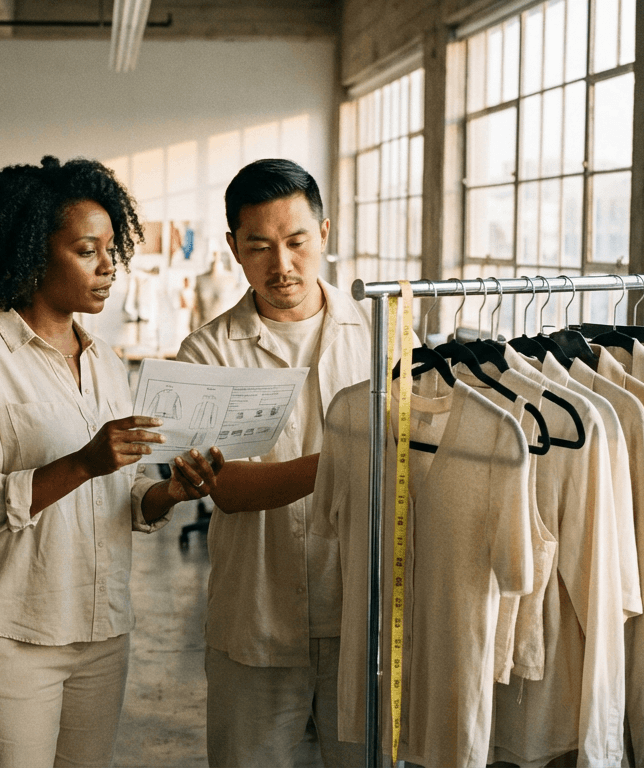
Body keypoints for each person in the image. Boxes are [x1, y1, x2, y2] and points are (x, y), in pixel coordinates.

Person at [0, 155, 225, 768]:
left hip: (100, 628)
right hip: (8, 634)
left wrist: (170, 491)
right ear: (34, 254)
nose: (109, 266)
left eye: (112, 248)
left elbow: (127, 496)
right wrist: (82, 463)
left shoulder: (108, 362)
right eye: (88, 250)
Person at [176, 158, 371, 767]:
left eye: (296, 242)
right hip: (255, 616)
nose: (281, 265)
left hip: (361, 612)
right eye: (259, 246)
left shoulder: (379, 333)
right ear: (234, 247)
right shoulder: (205, 352)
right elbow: (227, 488)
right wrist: (355, 460)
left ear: (326, 235)